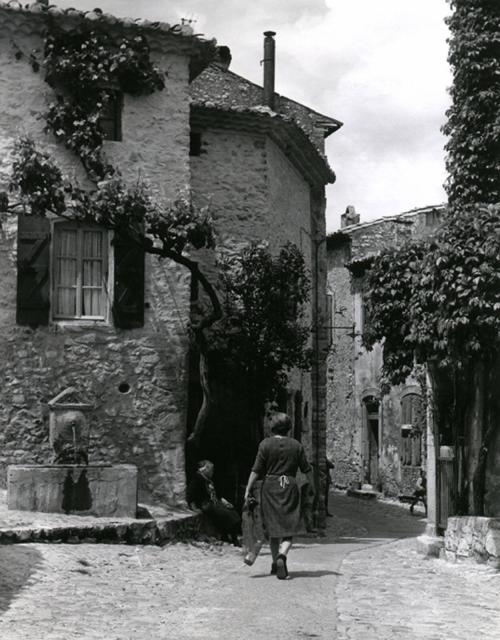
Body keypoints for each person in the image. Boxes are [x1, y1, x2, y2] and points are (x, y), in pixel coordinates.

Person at [244, 412, 315, 580]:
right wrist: (312, 485)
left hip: (270, 487)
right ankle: (283, 555)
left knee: (272, 526)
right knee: (288, 527)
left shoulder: (265, 444)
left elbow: (256, 469)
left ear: (272, 427)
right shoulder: (296, 445)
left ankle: (275, 563)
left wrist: (248, 488)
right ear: (288, 428)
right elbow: (306, 469)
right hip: (289, 486)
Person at [187, 460, 241, 546]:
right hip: (206, 504)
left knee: (232, 512)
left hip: (214, 503)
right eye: (211, 469)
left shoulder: (209, 480)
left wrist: (225, 502)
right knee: (226, 514)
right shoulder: (197, 479)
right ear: (205, 469)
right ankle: (233, 539)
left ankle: (227, 536)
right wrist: (194, 508)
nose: (212, 471)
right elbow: (191, 496)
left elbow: (218, 495)